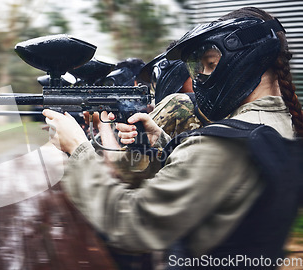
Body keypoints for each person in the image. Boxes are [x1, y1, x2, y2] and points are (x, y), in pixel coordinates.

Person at [43, 6, 303, 269]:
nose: (202, 77)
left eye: (211, 65)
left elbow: (131, 223)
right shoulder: (284, 125)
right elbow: (222, 188)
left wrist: (77, 148)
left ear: (248, 58)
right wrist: (163, 142)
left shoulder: (226, 144)